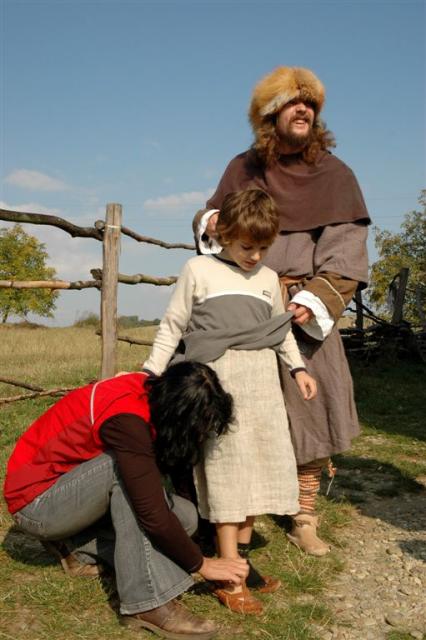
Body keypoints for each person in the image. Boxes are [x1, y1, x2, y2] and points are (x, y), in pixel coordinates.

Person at [193, 66, 370, 557]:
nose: (304, 110)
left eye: (310, 103)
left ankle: (303, 516)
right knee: (235, 411)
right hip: (243, 305)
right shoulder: (242, 168)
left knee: (310, 412)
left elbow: (345, 252)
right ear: (270, 115)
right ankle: (231, 512)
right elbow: (214, 220)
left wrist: (310, 300)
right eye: (293, 102)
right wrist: (215, 222)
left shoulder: (336, 175)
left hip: (303, 310)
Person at [143, 189, 317, 615]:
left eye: (262, 248)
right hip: (218, 385)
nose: (254, 256)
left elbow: (279, 333)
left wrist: (298, 369)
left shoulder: (267, 279)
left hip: (262, 386)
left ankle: (242, 560)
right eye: (246, 247)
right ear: (223, 235)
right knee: (227, 470)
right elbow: (173, 325)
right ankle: (228, 574)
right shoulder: (198, 269)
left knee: (257, 464)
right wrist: (150, 372)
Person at [3, 361, 249, 640]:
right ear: (177, 414)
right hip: (36, 504)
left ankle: (76, 546)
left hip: (68, 495)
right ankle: (146, 602)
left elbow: (173, 483)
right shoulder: (127, 421)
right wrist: (202, 564)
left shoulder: (154, 393)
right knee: (125, 476)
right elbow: (151, 514)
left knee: (186, 518)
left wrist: (204, 542)